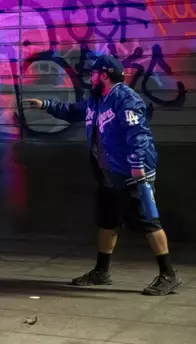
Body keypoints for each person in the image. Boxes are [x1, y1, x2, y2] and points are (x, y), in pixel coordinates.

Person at [22, 54, 182, 296]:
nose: (91, 78)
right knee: (107, 222)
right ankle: (101, 272)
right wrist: (45, 105)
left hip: (132, 172)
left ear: (104, 75)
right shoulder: (97, 101)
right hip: (109, 174)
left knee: (149, 221)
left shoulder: (125, 99)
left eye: (94, 74)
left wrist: (138, 165)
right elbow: (72, 110)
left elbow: (137, 133)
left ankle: (168, 274)